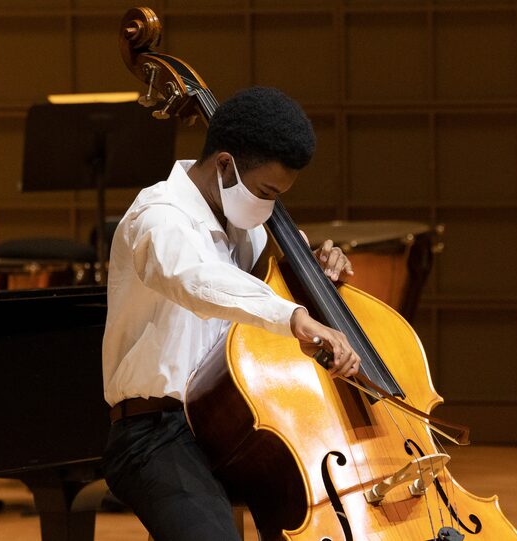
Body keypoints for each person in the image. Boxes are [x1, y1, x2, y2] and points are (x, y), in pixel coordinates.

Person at [101, 86, 360, 541]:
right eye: (266, 191)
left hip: (233, 424)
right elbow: (198, 281)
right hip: (155, 434)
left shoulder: (245, 226)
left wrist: (313, 273)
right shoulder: (158, 216)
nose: (270, 207)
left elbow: (265, 290)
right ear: (225, 165)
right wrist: (294, 315)